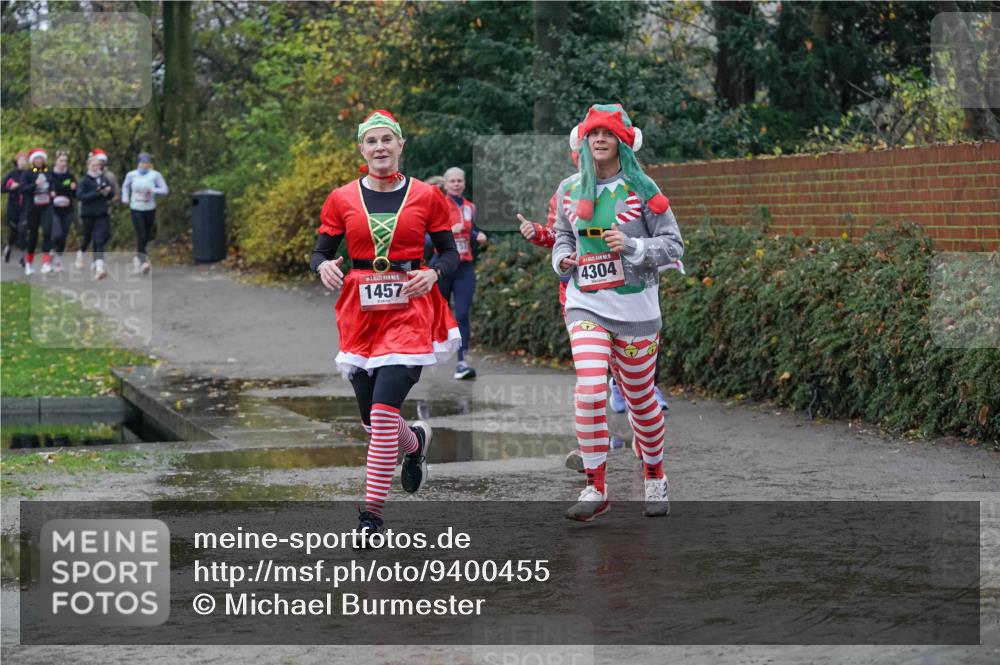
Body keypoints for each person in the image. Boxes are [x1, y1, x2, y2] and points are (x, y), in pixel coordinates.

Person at [310, 110, 461, 540]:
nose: (380, 147)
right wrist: (324, 267)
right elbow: (319, 252)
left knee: (381, 412)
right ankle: (413, 443)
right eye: (371, 141)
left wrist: (433, 273)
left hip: (410, 313)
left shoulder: (428, 196)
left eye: (387, 140)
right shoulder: (340, 198)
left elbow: (449, 253)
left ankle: (371, 516)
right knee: (373, 423)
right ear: (362, 149)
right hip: (360, 316)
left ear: (400, 146)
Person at [552, 103, 683, 521]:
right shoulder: (569, 189)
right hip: (585, 303)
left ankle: (655, 476)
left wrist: (632, 247)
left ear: (623, 142)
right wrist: (564, 260)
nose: (600, 140)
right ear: (584, 141)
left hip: (637, 311)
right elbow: (561, 238)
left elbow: (674, 246)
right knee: (590, 390)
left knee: (641, 400)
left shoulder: (645, 191)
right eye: (594, 134)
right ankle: (595, 488)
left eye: (608, 134)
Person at [431, 167, 487, 380]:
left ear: (464, 183)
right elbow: (426, 236)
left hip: (464, 267)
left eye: (459, 181)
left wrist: (478, 234)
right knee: (437, 313)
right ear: (445, 184)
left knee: (462, 314)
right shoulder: (438, 205)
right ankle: (430, 354)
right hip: (443, 267)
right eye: (452, 181)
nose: (456, 184)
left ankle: (462, 362)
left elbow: (471, 230)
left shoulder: (470, 207)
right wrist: (447, 233)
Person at [121, 152, 168, 274]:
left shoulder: (155, 175)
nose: (144, 165)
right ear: (138, 163)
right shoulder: (132, 175)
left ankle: (138, 257)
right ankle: (143, 261)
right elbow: (125, 186)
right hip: (136, 208)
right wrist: (125, 198)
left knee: (146, 236)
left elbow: (165, 190)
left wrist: (153, 189)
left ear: (150, 164)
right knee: (141, 234)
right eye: (142, 163)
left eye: (147, 163)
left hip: (150, 208)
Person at [76, 148, 118, 268]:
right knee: (87, 237)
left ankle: (98, 263)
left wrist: (108, 193)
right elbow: (80, 196)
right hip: (88, 213)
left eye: (98, 165)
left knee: (100, 237)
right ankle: (81, 252)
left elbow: (110, 195)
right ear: (88, 166)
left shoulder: (104, 178)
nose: (96, 168)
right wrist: (97, 192)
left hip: (102, 213)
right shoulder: (84, 180)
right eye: (93, 165)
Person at [18, 149, 54, 276]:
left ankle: (45, 263)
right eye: (37, 159)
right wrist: (35, 184)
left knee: (48, 232)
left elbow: (53, 184)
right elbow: (23, 189)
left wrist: (53, 191)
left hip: (46, 207)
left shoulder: (48, 171)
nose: (39, 161)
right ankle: (29, 264)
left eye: (41, 158)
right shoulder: (28, 173)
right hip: (33, 209)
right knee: (32, 236)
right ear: (33, 161)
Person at [42, 151, 76, 273]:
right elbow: (43, 189)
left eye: (65, 161)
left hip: (67, 210)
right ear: (56, 161)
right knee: (56, 233)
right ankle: (47, 260)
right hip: (52, 209)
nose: (63, 163)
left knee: (63, 236)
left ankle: (57, 260)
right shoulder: (49, 174)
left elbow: (75, 194)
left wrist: (73, 189)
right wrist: (50, 193)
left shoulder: (69, 176)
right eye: (61, 161)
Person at [2, 151, 29, 263]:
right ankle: (8, 247)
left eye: (25, 160)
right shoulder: (11, 174)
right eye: (21, 160)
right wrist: (11, 188)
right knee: (14, 232)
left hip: (26, 208)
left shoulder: (30, 173)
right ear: (17, 162)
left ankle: (24, 257)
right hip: (13, 208)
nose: (23, 162)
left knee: (23, 231)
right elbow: (2, 189)